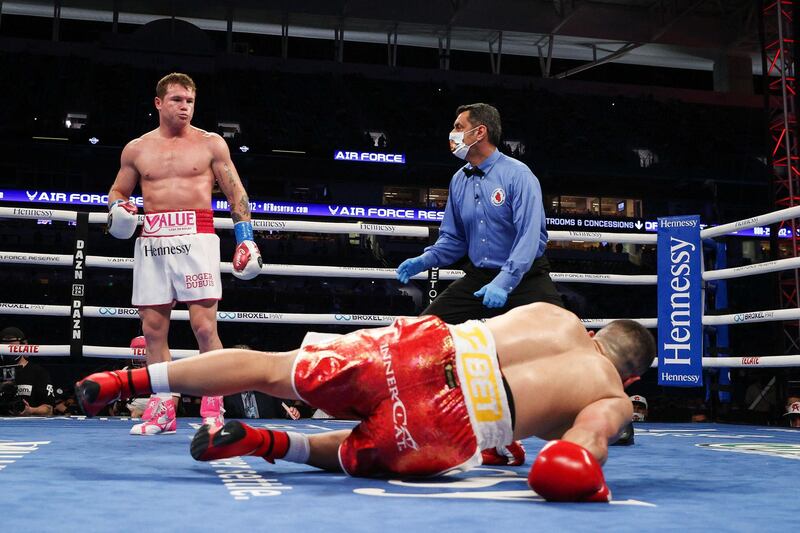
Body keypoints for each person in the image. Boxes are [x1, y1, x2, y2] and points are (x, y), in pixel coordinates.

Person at [76, 302, 655, 502]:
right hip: (452, 423)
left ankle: (127, 383)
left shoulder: (555, 314)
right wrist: (579, 464)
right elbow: (584, 445)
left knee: (274, 369)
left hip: (425, 348)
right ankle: (271, 442)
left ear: (599, 329)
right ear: (630, 379)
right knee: (361, 449)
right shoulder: (610, 394)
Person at [105, 72, 262, 435]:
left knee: (205, 327)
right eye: (177, 100)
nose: (184, 107)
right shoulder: (137, 149)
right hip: (154, 239)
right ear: (159, 103)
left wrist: (246, 237)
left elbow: (236, 191)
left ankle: (213, 407)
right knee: (153, 329)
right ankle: (162, 409)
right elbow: (118, 191)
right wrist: (118, 210)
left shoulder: (210, 145)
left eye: (189, 101)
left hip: (197, 237)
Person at [396, 103, 562, 324]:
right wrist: (425, 259)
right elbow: (454, 239)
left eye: (458, 126)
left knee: (564, 337)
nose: (452, 134)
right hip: (479, 278)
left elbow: (529, 237)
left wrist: (504, 281)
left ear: (480, 132)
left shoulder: (518, 175)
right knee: (425, 329)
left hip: (525, 278)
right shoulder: (459, 179)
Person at [0, 326, 54, 416]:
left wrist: (31, 410)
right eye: (4, 345)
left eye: (12, 344)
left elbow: (49, 409)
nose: (8, 348)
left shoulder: (38, 372)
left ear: (23, 345)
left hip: (28, 426)